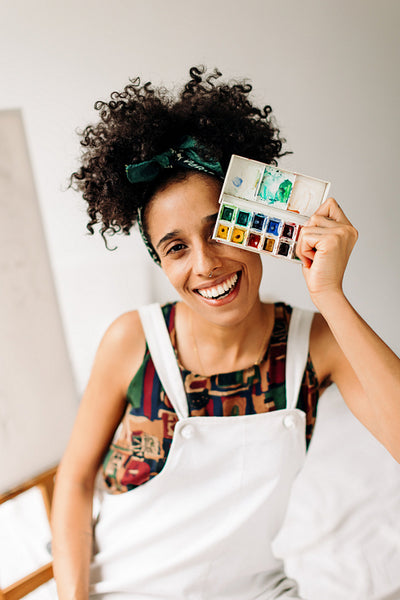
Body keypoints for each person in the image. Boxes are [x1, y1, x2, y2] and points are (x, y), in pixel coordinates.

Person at [51, 66, 400, 600]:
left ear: (253, 225)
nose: (206, 264)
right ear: (160, 262)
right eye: (176, 247)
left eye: (218, 230)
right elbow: (73, 484)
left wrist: (329, 292)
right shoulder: (133, 340)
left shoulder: (316, 343)